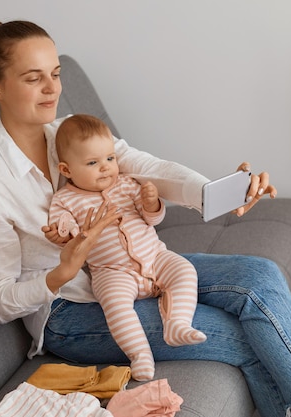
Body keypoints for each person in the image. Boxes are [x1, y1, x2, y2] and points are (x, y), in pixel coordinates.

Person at [0, 17, 291, 417]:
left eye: (55, 74)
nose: (52, 88)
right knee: (242, 337)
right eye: (33, 78)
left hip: (137, 267)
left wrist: (223, 192)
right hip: (71, 314)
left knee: (260, 276)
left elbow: (150, 168)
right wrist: (60, 271)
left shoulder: (69, 136)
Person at [48, 114, 206, 381]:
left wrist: (152, 204)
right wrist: (62, 233)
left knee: (185, 271)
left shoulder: (126, 184)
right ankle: (139, 354)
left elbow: (152, 219)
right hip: (112, 271)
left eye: (110, 158)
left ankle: (176, 323)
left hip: (155, 257)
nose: (106, 168)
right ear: (66, 170)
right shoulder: (65, 200)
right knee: (116, 306)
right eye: (92, 163)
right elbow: (69, 235)